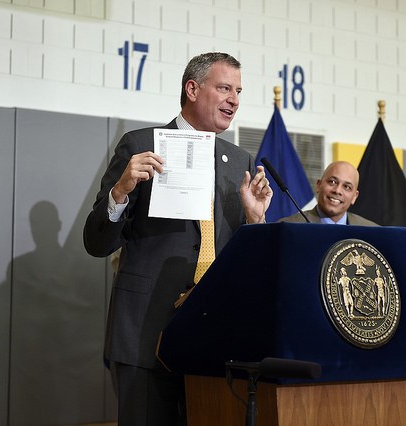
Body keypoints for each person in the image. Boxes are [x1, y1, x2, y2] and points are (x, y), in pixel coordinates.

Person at [83, 52, 272, 426]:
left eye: (238, 91)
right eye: (224, 88)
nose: (234, 99)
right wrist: (120, 191)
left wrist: (256, 221)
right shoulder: (141, 145)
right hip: (145, 330)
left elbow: (245, 262)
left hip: (213, 336)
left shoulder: (239, 162)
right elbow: (96, 243)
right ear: (192, 89)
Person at [279, 160, 376, 225]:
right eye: (332, 182)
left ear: (355, 196)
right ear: (318, 185)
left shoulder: (372, 232)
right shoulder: (288, 226)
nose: (337, 191)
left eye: (346, 187)